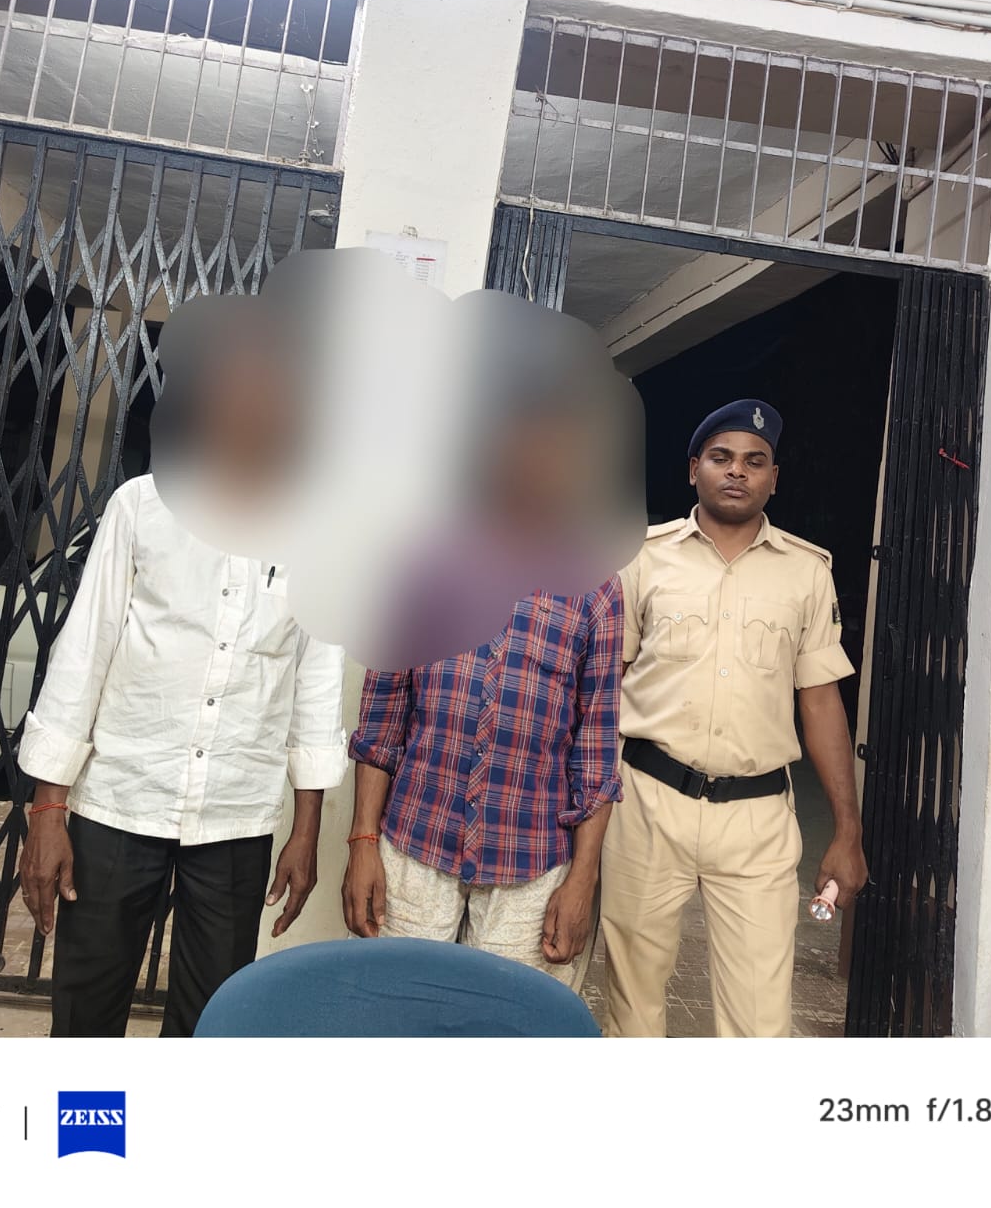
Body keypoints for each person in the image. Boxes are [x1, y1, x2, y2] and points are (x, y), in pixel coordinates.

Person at [17, 328, 345, 1038]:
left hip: (236, 814)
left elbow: (316, 685)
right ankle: (89, 1120)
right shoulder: (142, 507)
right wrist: (48, 810)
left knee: (212, 1022)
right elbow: (83, 653)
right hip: (121, 800)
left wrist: (306, 829)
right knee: (86, 1013)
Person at [601, 398, 868, 1038]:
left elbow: (821, 702)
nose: (737, 471)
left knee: (759, 1022)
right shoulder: (641, 558)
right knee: (631, 1008)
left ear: (774, 478)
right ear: (693, 468)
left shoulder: (807, 574)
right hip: (647, 801)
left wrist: (847, 830)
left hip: (757, 819)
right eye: (721, 457)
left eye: (755, 461)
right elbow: (605, 684)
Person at [342, 580, 624, 988]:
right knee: (393, 1010)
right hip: (413, 850)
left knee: (509, 1019)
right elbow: (381, 719)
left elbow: (596, 748)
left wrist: (583, 879)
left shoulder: (596, 584)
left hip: (531, 869)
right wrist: (363, 841)